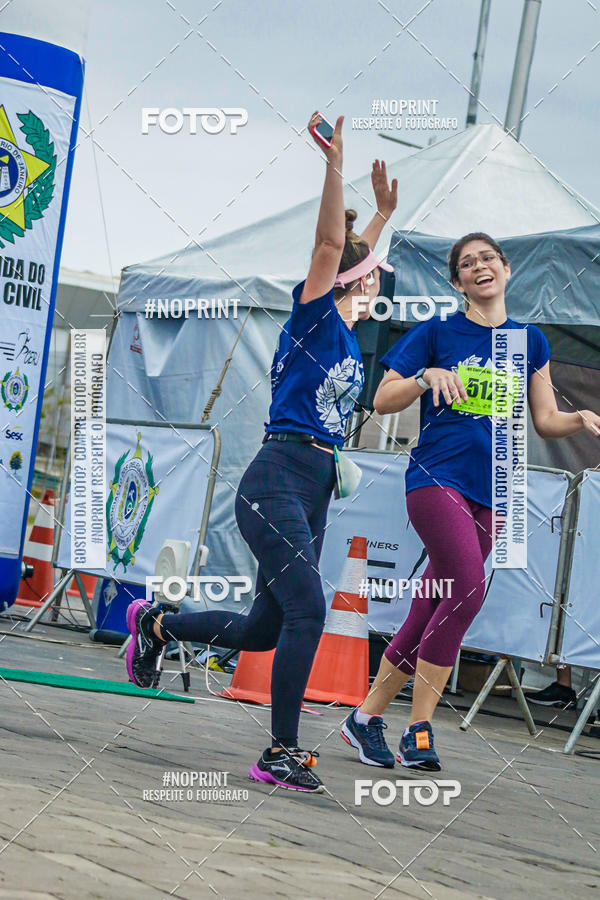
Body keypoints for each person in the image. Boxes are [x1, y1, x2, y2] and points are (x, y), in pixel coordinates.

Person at [125, 111, 397, 793]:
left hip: (314, 491)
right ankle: (280, 751)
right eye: (371, 275)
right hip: (275, 479)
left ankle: (156, 625)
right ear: (351, 280)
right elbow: (333, 243)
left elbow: (353, 246)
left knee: (261, 632)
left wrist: (384, 214)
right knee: (309, 610)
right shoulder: (312, 315)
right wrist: (336, 164)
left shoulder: (349, 333)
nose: (377, 284)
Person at [340, 232, 600, 772]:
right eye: (467, 263)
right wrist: (422, 376)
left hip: (496, 487)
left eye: (488, 259)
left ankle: (364, 719)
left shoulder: (529, 342)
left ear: (506, 270)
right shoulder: (438, 331)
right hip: (437, 478)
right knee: (466, 589)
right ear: (457, 282)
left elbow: (545, 421)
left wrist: (577, 419)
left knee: (433, 600)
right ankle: (419, 728)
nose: (479, 267)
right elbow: (382, 396)